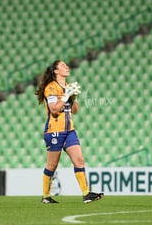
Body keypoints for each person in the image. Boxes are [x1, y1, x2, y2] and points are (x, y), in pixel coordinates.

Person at [34, 60, 104, 204]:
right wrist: (66, 96)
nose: (67, 67)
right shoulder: (51, 88)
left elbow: (74, 110)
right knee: (52, 165)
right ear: (56, 71)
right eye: (63, 66)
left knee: (79, 160)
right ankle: (46, 196)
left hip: (69, 130)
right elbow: (54, 110)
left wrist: (73, 96)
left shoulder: (67, 87)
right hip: (54, 131)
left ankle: (86, 194)